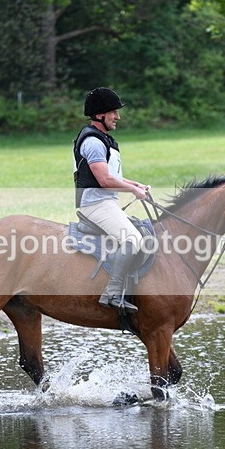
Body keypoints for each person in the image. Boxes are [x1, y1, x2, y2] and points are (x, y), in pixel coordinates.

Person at [73, 87, 150, 313]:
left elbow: (113, 177)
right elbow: (105, 180)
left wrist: (135, 185)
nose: (118, 117)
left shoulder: (104, 140)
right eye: (113, 112)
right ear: (100, 115)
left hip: (106, 203)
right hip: (95, 204)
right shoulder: (93, 142)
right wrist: (133, 192)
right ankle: (113, 294)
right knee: (133, 239)